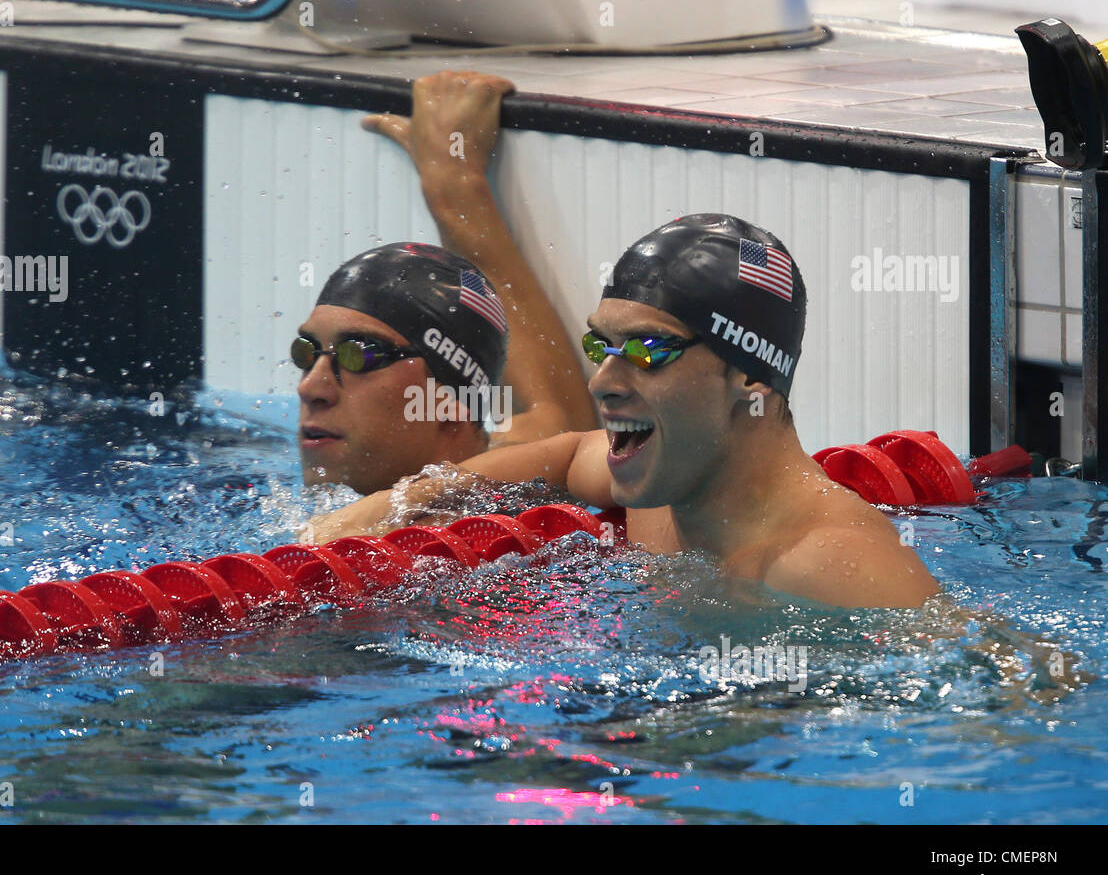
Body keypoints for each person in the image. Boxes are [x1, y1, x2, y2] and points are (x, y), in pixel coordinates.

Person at [306, 214, 941, 611]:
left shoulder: (831, 564)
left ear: (750, 378)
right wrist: (412, 498)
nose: (605, 381)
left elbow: (987, 692)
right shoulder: (660, 487)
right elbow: (567, 451)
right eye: (601, 347)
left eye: (649, 350)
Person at [295, 72, 596, 494]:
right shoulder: (518, 468)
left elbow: (566, 435)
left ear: (449, 408)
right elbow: (558, 417)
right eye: (306, 352)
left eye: (358, 355)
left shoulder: (492, 510)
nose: (310, 387)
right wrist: (452, 185)